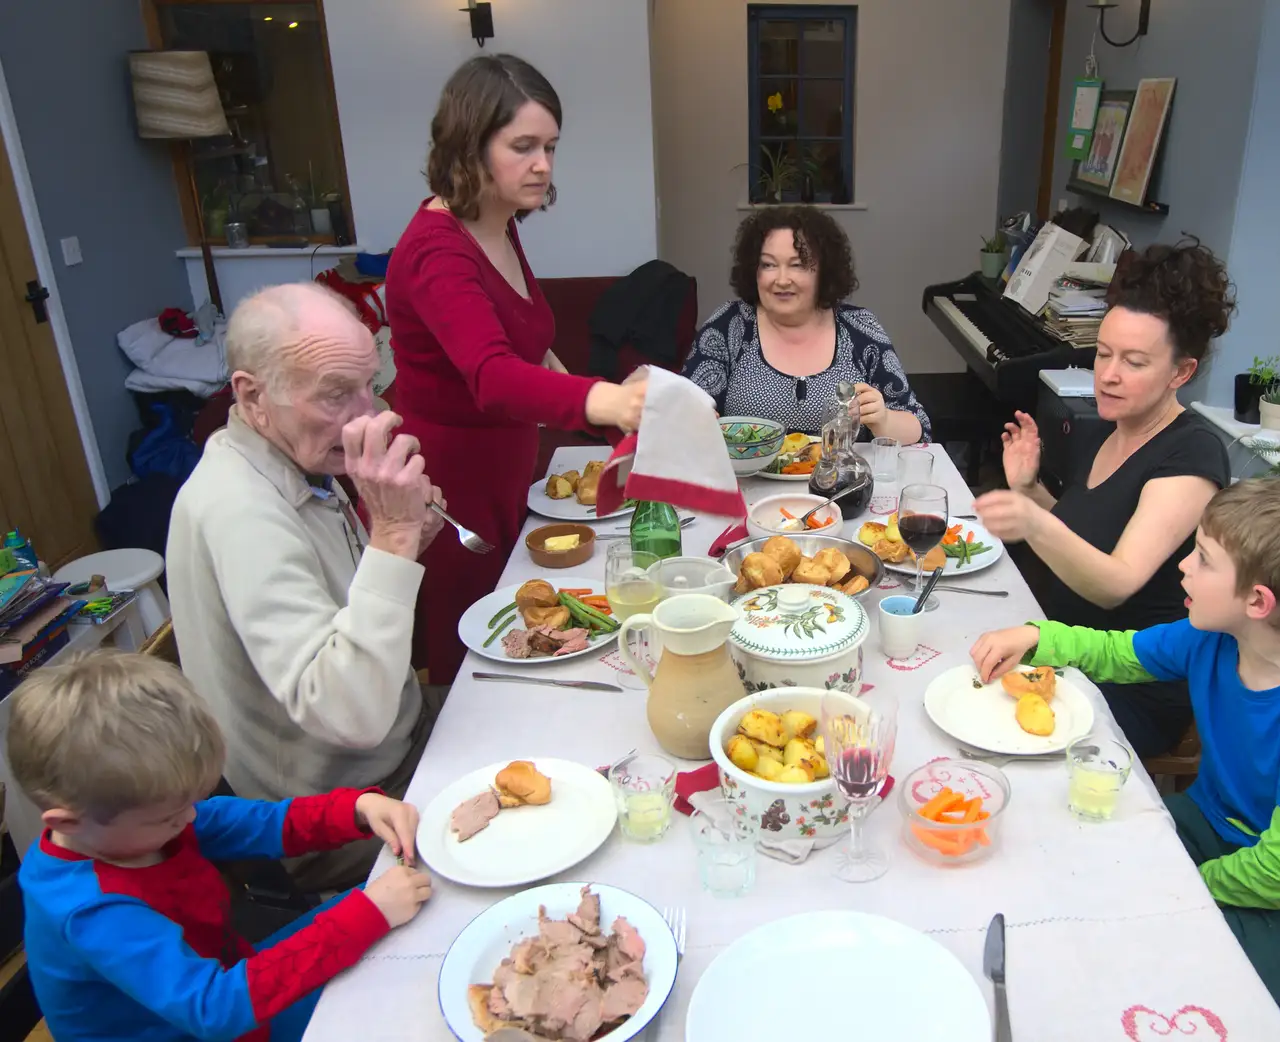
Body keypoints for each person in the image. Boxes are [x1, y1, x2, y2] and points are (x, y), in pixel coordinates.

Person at [970, 479, 1280, 1000]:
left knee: (1203, 982)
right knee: (1071, 865)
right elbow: (1119, 654)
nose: (1183, 565)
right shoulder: (1211, 636)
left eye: (1204, 559)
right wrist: (1036, 637)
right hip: (1205, 821)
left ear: (1257, 600)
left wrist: (1184, 888)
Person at [168, 282, 440, 893]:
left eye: (370, 384)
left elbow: (337, 616)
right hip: (339, 810)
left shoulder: (295, 454)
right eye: (336, 395)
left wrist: (399, 543)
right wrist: (392, 534)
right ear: (252, 395)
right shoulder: (238, 509)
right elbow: (352, 713)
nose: (369, 415)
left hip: (399, 738)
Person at [385, 54, 647, 684]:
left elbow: (532, 349)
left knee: (525, 631)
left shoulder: (496, 225)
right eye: (523, 146)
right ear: (469, 147)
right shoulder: (437, 249)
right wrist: (603, 400)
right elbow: (494, 375)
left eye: (551, 147)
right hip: (450, 480)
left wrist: (596, 396)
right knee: (473, 657)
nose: (543, 165)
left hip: (505, 466)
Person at [11, 651, 432, 1042]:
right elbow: (215, 1009)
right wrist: (364, 917)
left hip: (229, 984)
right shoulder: (93, 912)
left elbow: (252, 824)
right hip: (212, 1017)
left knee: (415, 919)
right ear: (67, 822)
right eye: (170, 817)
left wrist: (354, 809)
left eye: (191, 803)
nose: (191, 819)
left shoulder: (129, 826)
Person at [974, 237, 1232, 756]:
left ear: (1181, 372)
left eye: (1135, 362)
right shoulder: (1111, 425)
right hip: (1062, 647)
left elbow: (1117, 582)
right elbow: (1084, 531)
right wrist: (1029, 489)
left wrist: (1032, 522)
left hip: (1125, 685)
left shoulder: (1191, 457)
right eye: (1104, 354)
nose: (1108, 375)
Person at [682, 205, 930, 444]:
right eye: (768, 264)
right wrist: (695, 421)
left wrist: (883, 420)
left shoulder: (859, 328)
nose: (781, 280)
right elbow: (681, 413)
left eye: (797, 265)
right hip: (747, 484)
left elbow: (918, 427)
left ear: (824, 271)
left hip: (839, 483)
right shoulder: (729, 325)